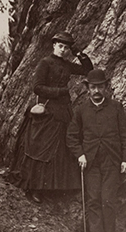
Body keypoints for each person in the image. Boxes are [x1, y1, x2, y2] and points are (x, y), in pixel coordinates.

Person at [18, 31, 93, 201]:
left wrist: (79, 53)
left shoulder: (67, 65)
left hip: (64, 111)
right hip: (48, 111)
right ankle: (36, 188)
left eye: (66, 47)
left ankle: (60, 189)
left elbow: (88, 70)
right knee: (42, 148)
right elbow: (37, 87)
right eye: (60, 46)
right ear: (54, 45)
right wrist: (61, 92)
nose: (63, 50)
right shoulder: (45, 63)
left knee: (63, 149)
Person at [67, 69, 126, 232]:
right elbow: (72, 136)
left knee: (108, 200)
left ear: (106, 88)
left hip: (112, 161)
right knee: (94, 198)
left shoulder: (116, 108)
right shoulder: (81, 110)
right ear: (88, 89)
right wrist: (80, 154)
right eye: (93, 87)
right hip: (91, 162)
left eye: (100, 87)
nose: (96, 91)